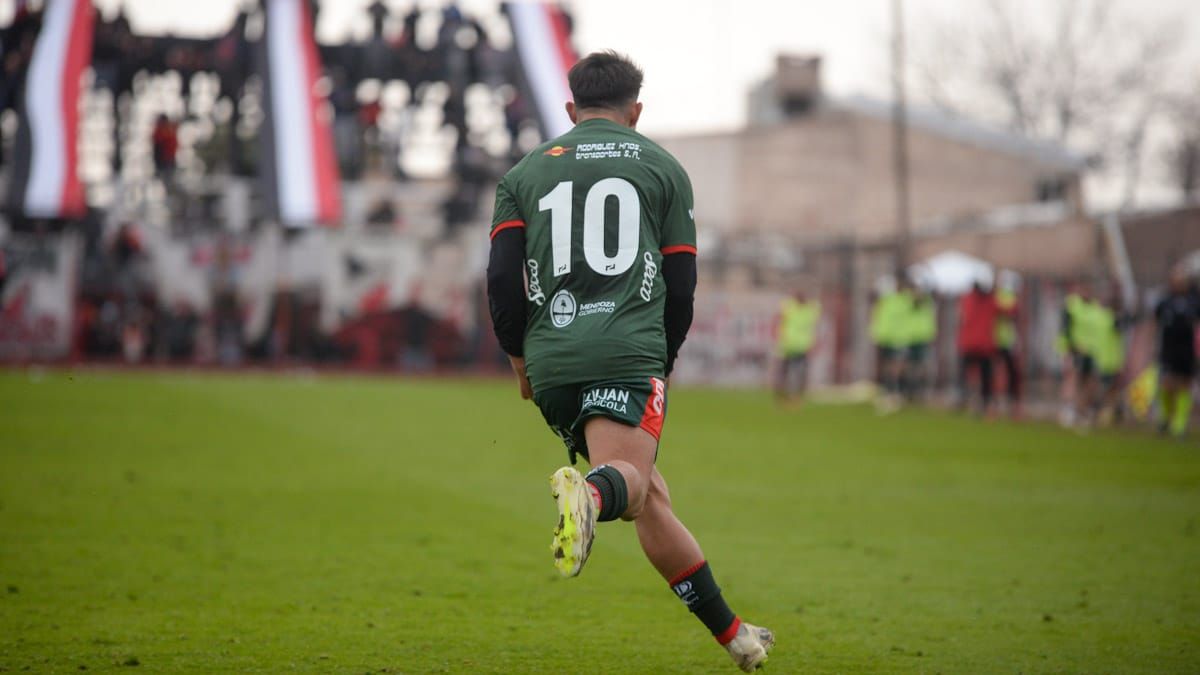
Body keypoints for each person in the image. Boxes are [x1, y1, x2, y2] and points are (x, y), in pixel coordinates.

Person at [485, 51, 774, 672]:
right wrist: (662, 359)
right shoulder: (664, 169)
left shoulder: (524, 175)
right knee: (627, 483)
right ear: (635, 111)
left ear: (571, 109)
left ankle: (735, 637)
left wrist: (518, 360)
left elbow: (503, 280)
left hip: (551, 360)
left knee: (649, 498)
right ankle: (587, 496)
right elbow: (682, 280)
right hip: (626, 352)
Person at [1154, 268, 1200, 438]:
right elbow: (1154, 322)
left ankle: (1179, 424)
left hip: (1187, 350)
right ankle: (1166, 417)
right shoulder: (1165, 302)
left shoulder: (1194, 302)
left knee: (1185, 384)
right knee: (1167, 384)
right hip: (1168, 349)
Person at [957, 279, 1002, 415]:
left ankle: (968, 401)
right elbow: (1008, 310)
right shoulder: (991, 301)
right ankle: (984, 403)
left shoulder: (967, 300)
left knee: (967, 375)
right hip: (984, 345)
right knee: (985, 377)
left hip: (969, 344)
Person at [870, 278, 910, 411]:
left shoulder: (906, 300)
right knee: (887, 365)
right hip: (885, 337)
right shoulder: (888, 300)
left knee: (896, 365)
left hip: (898, 338)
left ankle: (897, 391)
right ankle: (889, 391)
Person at [774, 288, 820, 404]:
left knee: (801, 371)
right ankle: (782, 392)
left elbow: (814, 325)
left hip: (803, 345)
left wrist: (813, 343)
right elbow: (779, 318)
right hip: (788, 344)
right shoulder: (789, 307)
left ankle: (798, 394)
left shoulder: (810, 310)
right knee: (785, 370)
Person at [903, 284, 937, 401]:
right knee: (910, 366)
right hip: (910, 338)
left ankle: (920, 390)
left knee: (921, 365)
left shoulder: (927, 304)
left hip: (923, 338)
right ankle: (910, 390)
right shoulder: (908, 303)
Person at [994, 275, 1021, 417]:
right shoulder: (1005, 298)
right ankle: (999, 405)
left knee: (1009, 374)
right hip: (998, 340)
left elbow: (1009, 312)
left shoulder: (1000, 297)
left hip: (1006, 341)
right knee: (1001, 374)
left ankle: (1009, 406)